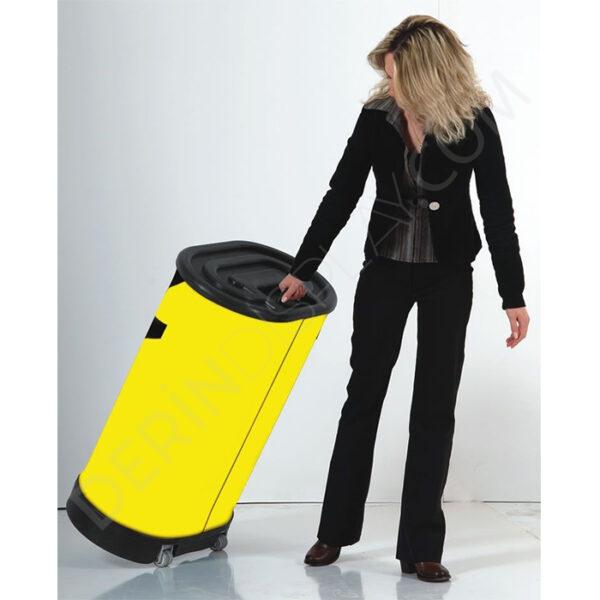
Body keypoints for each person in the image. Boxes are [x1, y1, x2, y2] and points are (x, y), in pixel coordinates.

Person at [278, 15, 530, 583]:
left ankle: (421, 546)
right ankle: (334, 531)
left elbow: (498, 208)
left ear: (424, 74)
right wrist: (303, 266)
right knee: (363, 396)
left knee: (434, 406)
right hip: (385, 273)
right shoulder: (378, 116)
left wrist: (512, 293)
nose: (388, 83)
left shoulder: (474, 120)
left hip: (448, 278)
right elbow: (342, 192)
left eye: (395, 74)